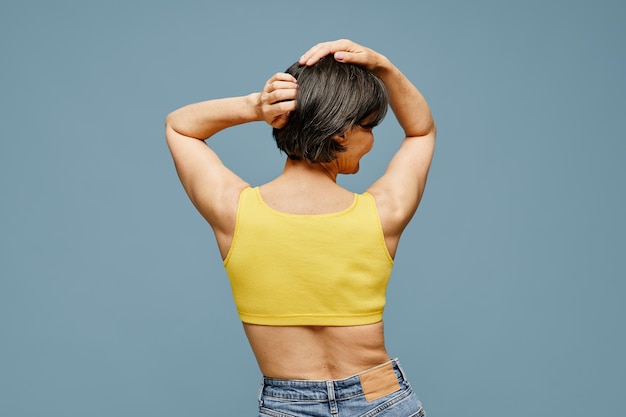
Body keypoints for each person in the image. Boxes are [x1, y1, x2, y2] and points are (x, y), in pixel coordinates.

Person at [165, 39, 436, 417]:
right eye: (370, 126)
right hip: (381, 396)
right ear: (341, 133)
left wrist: (256, 106)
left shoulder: (235, 213)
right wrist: (384, 66)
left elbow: (179, 127)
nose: (372, 139)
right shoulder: (383, 214)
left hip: (289, 405)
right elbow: (421, 130)